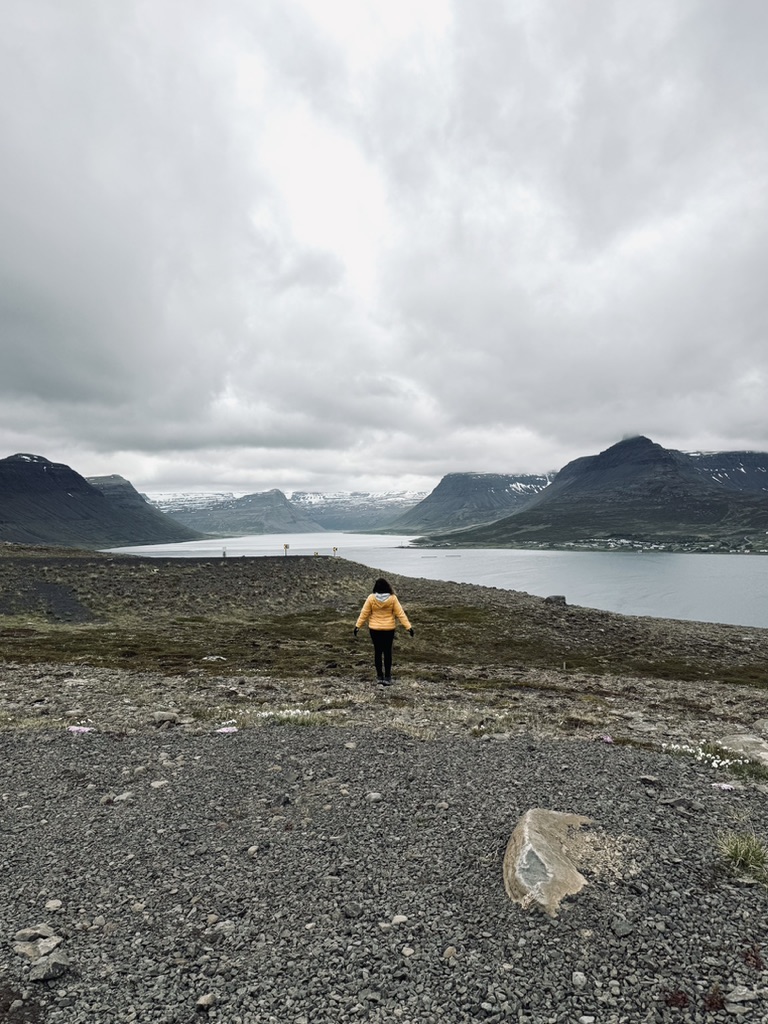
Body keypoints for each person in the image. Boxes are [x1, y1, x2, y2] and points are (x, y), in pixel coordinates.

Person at [354, 578, 414, 685]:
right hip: (388, 629)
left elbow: (364, 613)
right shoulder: (392, 598)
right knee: (387, 653)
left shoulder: (371, 598)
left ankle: (379, 676)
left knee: (377, 652)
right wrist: (408, 627)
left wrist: (357, 626)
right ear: (387, 586)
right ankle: (387, 677)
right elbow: (400, 614)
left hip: (374, 629)